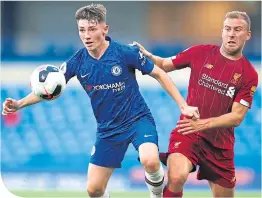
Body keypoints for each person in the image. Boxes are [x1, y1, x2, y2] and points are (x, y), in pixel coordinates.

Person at [2, 3, 200, 198]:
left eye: (91, 29)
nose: (86, 35)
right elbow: (48, 89)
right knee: (94, 190)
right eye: (82, 30)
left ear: (104, 29)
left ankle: (156, 196)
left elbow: (159, 74)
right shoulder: (77, 62)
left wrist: (183, 106)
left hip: (138, 120)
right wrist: (19, 104)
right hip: (108, 130)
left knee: (150, 160)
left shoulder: (125, 53)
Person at [134, 11, 258, 197]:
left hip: (219, 145)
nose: (231, 34)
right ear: (222, 32)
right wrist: (148, 56)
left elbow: (237, 116)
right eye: (227, 29)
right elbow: (164, 64)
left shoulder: (249, 74)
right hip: (188, 132)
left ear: (247, 35)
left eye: (237, 30)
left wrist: (204, 123)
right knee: (176, 178)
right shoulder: (201, 52)